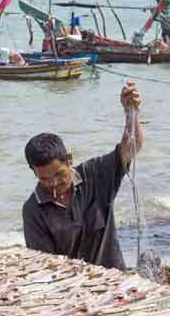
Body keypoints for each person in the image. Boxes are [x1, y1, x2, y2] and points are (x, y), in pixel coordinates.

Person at [22, 81, 143, 270]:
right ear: (34, 173)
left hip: (115, 277)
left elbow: (130, 148)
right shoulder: (33, 211)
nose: (54, 183)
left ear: (69, 160)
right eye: (44, 179)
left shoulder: (95, 174)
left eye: (59, 174)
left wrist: (131, 113)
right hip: (71, 285)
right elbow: (45, 265)